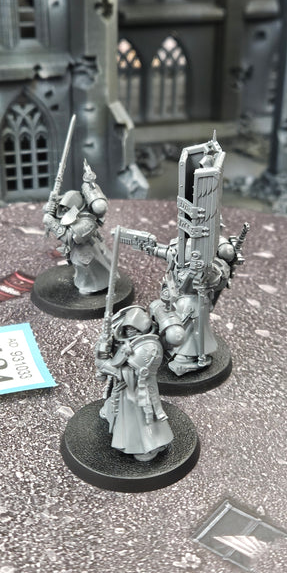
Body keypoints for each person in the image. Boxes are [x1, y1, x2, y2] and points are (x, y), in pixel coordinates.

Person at [96, 306, 175, 461]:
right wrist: (105, 345)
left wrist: (103, 363)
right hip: (126, 388)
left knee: (139, 418)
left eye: (133, 329)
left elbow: (126, 372)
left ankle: (147, 446)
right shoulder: (129, 342)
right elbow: (118, 356)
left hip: (138, 389)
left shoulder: (148, 347)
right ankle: (111, 414)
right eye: (127, 328)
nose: (129, 331)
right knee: (118, 407)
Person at [43, 161, 112, 295]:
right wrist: (50, 206)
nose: (63, 211)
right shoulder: (71, 210)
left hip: (87, 254)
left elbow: (69, 238)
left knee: (89, 273)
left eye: (66, 209)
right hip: (77, 253)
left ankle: (94, 287)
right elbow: (57, 213)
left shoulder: (88, 223)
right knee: (80, 268)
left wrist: (51, 222)